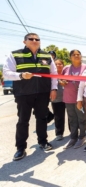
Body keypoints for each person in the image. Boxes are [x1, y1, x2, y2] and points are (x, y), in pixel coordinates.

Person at [3, 33, 57, 161]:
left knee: (42, 118)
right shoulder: (15, 55)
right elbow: (6, 73)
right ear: (24, 42)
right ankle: (20, 148)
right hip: (23, 93)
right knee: (23, 121)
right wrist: (20, 75)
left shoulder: (46, 55)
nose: (34, 41)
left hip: (42, 93)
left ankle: (43, 142)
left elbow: (53, 73)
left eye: (37, 39)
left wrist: (53, 89)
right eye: (31, 39)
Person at [61, 50, 86, 149]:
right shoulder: (66, 68)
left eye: (78, 54)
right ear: (70, 57)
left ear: (81, 56)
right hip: (68, 97)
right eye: (74, 55)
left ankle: (82, 137)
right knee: (72, 119)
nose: (76, 56)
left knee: (81, 118)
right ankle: (73, 138)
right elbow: (60, 78)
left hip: (80, 99)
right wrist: (62, 82)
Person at [52, 59, 66, 141]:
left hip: (68, 98)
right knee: (58, 117)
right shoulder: (52, 75)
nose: (58, 65)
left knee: (71, 117)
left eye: (60, 64)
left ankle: (73, 132)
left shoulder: (66, 74)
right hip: (57, 100)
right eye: (56, 64)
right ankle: (59, 133)